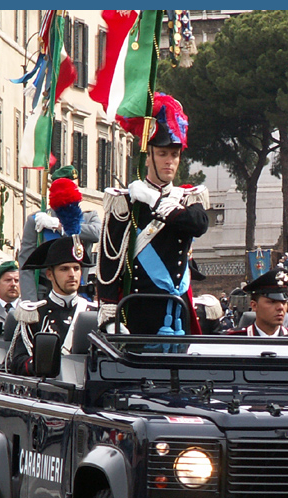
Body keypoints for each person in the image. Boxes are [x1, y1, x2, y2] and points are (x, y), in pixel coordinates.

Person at [97, 93, 209, 336]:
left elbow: (197, 225)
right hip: (138, 312)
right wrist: (109, 315)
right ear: (147, 156)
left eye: (174, 155)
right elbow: (110, 261)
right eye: (162, 154)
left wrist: (155, 200)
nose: (170, 161)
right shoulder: (124, 202)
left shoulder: (187, 197)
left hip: (178, 310)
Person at [6, 235, 95, 375]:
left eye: (76, 268)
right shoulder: (34, 314)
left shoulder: (95, 313)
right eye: (64, 269)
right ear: (49, 274)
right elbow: (18, 362)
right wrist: (42, 364)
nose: (72, 274)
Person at [16, 165, 101, 302]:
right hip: (46, 295)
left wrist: (61, 226)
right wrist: (29, 302)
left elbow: (96, 234)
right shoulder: (37, 221)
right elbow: (26, 265)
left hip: (80, 293)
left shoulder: (89, 217)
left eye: (74, 187)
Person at [227, 269, 288, 337]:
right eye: (272, 302)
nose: (281, 307)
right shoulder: (236, 339)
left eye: (284, 302)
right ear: (254, 306)